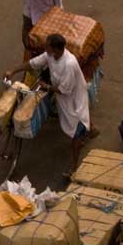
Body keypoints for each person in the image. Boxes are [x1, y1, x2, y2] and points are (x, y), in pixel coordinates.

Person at [26, 31, 96, 166]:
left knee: (77, 129)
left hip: (74, 100)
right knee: (78, 124)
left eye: (48, 46)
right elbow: (33, 63)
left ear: (56, 49)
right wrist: (12, 71)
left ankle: (74, 166)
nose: (45, 48)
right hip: (63, 99)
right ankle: (90, 130)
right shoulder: (51, 55)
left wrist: (46, 86)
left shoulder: (69, 64)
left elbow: (64, 90)